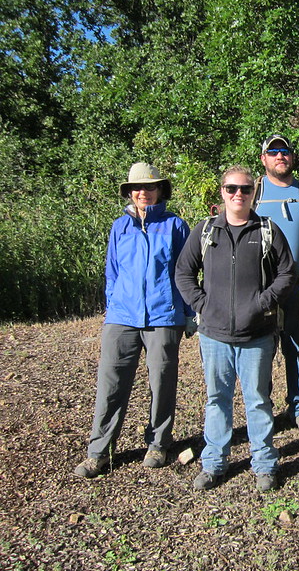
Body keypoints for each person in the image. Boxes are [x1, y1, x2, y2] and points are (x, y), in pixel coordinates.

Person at [176, 166, 297, 492]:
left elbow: (287, 273)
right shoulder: (206, 231)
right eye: (232, 188)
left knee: (258, 401)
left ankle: (265, 464)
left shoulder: (267, 230)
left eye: (245, 188)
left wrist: (262, 302)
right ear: (222, 192)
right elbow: (184, 272)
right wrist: (203, 304)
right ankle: (214, 463)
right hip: (214, 335)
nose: (238, 194)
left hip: (257, 335)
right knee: (217, 399)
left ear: (253, 193)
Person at [74, 162, 192, 478]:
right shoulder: (120, 227)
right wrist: (113, 306)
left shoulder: (175, 226)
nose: (143, 192)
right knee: (110, 384)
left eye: (150, 187)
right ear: (129, 192)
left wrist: (188, 313)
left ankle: (158, 444)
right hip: (122, 317)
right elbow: (112, 271)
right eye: (137, 188)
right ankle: (99, 452)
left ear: (160, 190)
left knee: (162, 382)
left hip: (163, 317)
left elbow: (186, 273)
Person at [255, 133, 299, 436]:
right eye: (273, 152)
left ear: (293, 157)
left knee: (298, 350)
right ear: (264, 159)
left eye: (284, 151)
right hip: (262, 290)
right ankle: (263, 411)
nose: (280, 156)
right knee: (261, 352)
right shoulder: (253, 193)